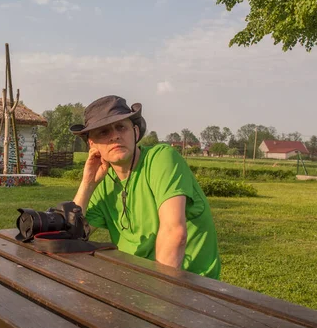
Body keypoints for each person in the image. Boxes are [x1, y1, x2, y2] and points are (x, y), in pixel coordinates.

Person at [70, 95, 220, 279]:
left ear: (135, 132)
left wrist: (158, 297)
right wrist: (87, 185)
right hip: (136, 280)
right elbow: (71, 236)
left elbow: (174, 233)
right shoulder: (105, 182)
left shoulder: (161, 159)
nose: (115, 135)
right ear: (92, 145)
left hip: (187, 283)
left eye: (121, 127)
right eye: (103, 132)